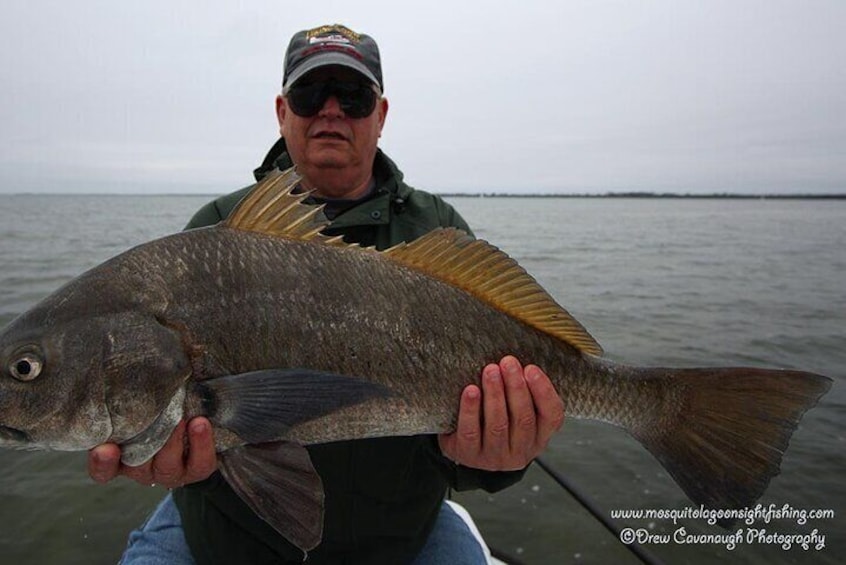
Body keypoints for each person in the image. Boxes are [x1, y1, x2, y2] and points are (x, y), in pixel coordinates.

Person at [88, 23, 565, 565]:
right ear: (282, 110)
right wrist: (175, 461)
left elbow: (463, 450)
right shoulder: (217, 232)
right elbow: (201, 431)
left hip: (400, 539)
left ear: (380, 116)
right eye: (311, 94)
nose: (331, 111)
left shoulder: (434, 226)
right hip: (231, 541)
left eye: (354, 96)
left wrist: (497, 455)